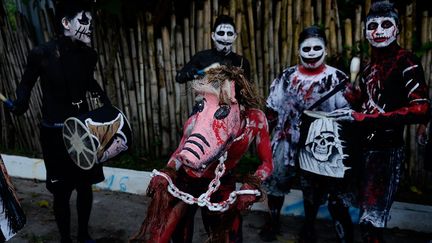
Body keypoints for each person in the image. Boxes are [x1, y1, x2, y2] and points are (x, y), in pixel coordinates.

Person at [5, 1, 111, 242]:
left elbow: (87, 84)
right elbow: (26, 84)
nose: (90, 27)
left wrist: (107, 106)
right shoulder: (41, 54)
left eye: (91, 22)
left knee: (85, 187)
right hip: (54, 133)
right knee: (61, 192)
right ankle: (65, 239)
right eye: (84, 21)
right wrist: (19, 104)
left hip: (83, 132)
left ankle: (83, 235)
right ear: (66, 23)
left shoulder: (89, 55)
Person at [130, 65, 272, 243]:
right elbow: (180, 151)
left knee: (227, 235)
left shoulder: (256, 121)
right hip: (186, 180)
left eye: (220, 105)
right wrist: (168, 171)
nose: (206, 113)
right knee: (164, 234)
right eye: (205, 103)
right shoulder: (196, 120)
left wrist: (252, 184)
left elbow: (267, 163)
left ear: (240, 105)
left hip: (222, 182)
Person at [330, 1, 430, 242]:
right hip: (359, 151)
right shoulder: (367, 69)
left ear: (397, 29)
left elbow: (422, 109)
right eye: (372, 25)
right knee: (336, 203)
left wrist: (367, 118)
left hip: (386, 153)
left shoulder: (406, 61)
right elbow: (365, 105)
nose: (379, 31)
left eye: (386, 24)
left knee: (371, 224)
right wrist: (354, 101)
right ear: (365, 32)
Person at [261, 26, 354, 243]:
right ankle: (273, 222)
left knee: (312, 187)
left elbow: (348, 114)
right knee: (276, 182)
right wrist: (264, 134)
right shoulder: (286, 77)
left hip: (319, 143)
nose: (311, 53)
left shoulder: (337, 78)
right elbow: (272, 109)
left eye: (316, 48)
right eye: (307, 48)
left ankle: (309, 227)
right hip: (286, 139)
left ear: (325, 50)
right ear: (299, 50)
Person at [175, 14, 251, 83]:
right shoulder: (201, 57)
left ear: (234, 37)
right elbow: (179, 78)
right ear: (213, 36)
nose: (225, 38)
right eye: (221, 33)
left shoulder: (242, 62)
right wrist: (190, 74)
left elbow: (247, 91)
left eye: (229, 34)